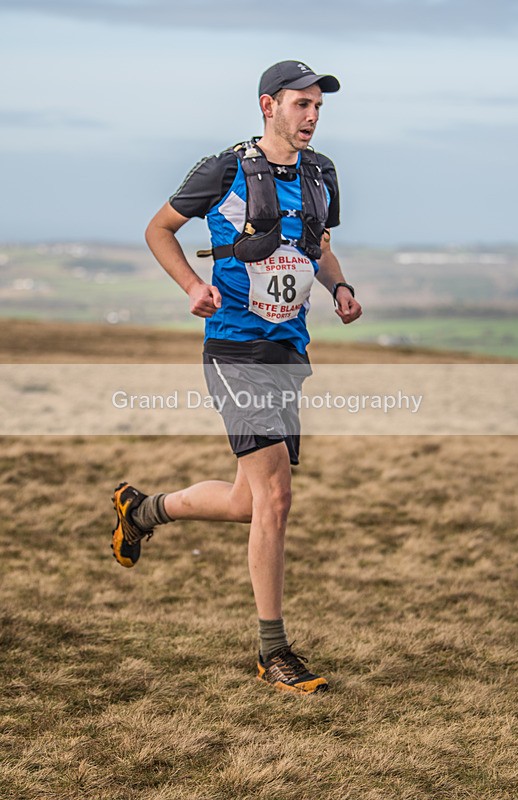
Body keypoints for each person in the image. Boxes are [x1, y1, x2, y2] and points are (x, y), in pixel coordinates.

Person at [111, 60, 362, 694]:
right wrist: (193, 284)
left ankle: (143, 511)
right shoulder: (224, 169)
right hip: (235, 349)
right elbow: (159, 228)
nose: (310, 116)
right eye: (300, 105)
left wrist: (339, 287)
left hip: (288, 351)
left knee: (249, 501)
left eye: (317, 108)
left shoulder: (320, 173)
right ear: (267, 105)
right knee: (276, 499)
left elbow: (318, 243)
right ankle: (273, 650)